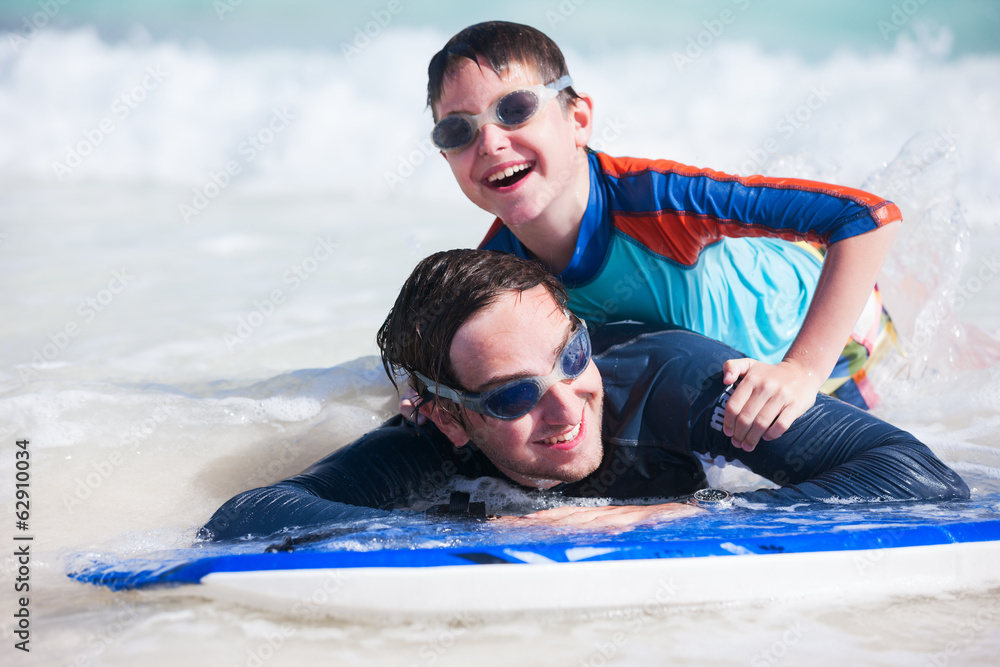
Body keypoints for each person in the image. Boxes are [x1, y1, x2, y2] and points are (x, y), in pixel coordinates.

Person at [200, 250, 967, 541]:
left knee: (881, 346)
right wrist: (483, 537)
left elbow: (919, 479)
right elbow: (249, 516)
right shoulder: (431, 435)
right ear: (448, 416)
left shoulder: (680, 385)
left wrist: (677, 511)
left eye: (571, 357)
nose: (567, 405)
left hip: (812, 335)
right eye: (511, 397)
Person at [420, 21, 903, 453]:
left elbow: (866, 218)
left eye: (515, 108)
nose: (490, 142)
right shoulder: (499, 272)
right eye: (457, 131)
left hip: (838, 337)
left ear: (579, 120)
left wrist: (801, 371)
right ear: (447, 160)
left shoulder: (657, 201)